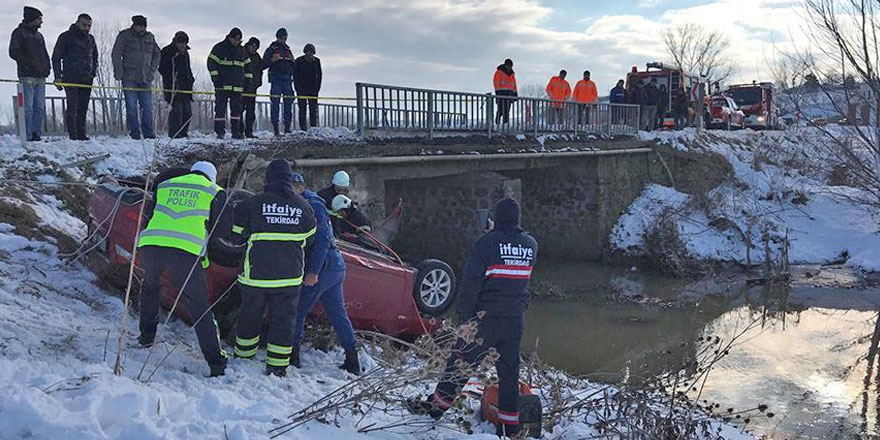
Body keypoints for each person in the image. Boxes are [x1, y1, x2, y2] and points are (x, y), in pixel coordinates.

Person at [408, 198, 538, 437]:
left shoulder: (485, 244)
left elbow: (470, 285)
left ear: (496, 218)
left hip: (484, 318)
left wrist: (466, 319)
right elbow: (523, 281)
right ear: (517, 218)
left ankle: (437, 408)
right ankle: (510, 426)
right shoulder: (530, 244)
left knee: (459, 363)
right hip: (514, 318)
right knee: (509, 372)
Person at [136, 161, 230, 377]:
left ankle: (146, 336)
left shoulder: (167, 184)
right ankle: (216, 362)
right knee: (199, 306)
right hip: (185, 252)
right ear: (212, 177)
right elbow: (221, 231)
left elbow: (150, 214)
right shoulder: (214, 191)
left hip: (151, 245)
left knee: (150, 289)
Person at [231, 159, 317, 377]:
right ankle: (278, 367)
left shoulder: (252, 203)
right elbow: (310, 239)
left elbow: (236, 234)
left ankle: (244, 358)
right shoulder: (303, 206)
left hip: (255, 276)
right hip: (289, 278)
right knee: (284, 321)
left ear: (267, 178)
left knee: (250, 316)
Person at [290, 174, 360, 375]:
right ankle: (352, 359)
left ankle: (292, 356)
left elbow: (321, 241)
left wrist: (313, 272)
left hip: (325, 265)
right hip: (334, 266)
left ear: (300, 187)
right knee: (338, 313)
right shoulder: (312, 203)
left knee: (299, 309)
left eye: (292, 187)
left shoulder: (313, 206)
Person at [112, 15, 160, 140]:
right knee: (131, 107)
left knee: (147, 107)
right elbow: (116, 53)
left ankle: (148, 134)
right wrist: (118, 72)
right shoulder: (124, 36)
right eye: (140, 26)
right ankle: (135, 133)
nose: (142, 28)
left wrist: (152, 70)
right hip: (129, 77)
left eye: (144, 26)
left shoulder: (150, 37)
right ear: (134, 25)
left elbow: (157, 55)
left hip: (146, 78)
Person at [52, 13, 97, 141]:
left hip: (86, 78)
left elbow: (95, 57)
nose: (87, 28)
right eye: (84, 25)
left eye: (89, 26)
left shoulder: (91, 39)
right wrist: (57, 76)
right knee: (72, 107)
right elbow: (56, 57)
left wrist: (93, 72)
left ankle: (82, 134)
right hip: (70, 77)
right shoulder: (66, 37)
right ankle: (73, 135)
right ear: (77, 23)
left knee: (83, 107)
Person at [9, 6, 50, 142]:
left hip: (40, 76)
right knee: (27, 108)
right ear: (32, 19)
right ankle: (26, 134)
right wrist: (29, 63)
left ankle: (36, 133)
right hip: (26, 75)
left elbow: (44, 53)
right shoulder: (19, 33)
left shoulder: (39, 36)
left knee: (39, 107)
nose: (41, 22)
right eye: (39, 19)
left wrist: (47, 67)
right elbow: (14, 52)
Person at [208, 27, 248, 139]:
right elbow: (211, 63)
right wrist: (216, 79)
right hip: (222, 86)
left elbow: (247, 66)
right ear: (230, 37)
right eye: (235, 39)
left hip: (237, 88)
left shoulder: (242, 50)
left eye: (239, 40)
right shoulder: (219, 48)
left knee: (237, 112)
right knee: (220, 111)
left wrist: (247, 81)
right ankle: (220, 132)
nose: (237, 42)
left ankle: (236, 132)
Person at [158, 31, 194, 138]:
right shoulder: (167, 52)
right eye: (180, 43)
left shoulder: (186, 54)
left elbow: (188, 69)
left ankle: (184, 133)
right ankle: (175, 134)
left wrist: (191, 79)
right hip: (173, 87)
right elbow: (162, 69)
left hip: (186, 87)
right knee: (176, 112)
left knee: (187, 113)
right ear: (176, 42)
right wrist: (172, 78)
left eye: (184, 43)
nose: (183, 45)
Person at [263, 28, 295, 136]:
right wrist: (272, 60)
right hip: (276, 79)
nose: (284, 39)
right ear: (278, 37)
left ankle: (287, 128)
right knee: (275, 103)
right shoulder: (271, 49)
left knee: (288, 104)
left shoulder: (288, 50)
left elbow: (294, 67)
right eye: (282, 37)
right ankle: (276, 129)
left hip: (287, 79)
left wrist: (292, 61)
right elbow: (263, 64)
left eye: (285, 37)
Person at [294, 43, 322, 130]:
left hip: (313, 89)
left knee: (313, 110)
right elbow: (295, 75)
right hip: (301, 89)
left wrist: (317, 88)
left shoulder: (317, 61)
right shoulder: (299, 61)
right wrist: (297, 88)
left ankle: (313, 128)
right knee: (302, 110)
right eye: (308, 52)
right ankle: (303, 128)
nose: (309, 54)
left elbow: (319, 75)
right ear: (305, 52)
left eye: (311, 52)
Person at [242, 37, 263, 138]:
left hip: (252, 88)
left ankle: (249, 132)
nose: (254, 49)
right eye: (253, 46)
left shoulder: (257, 57)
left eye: (256, 47)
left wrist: (257, 84)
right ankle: (239, 131)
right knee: (239, 110)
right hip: (241, 87)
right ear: (249, 45)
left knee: (250, 112)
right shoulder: (241, 53)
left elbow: (260, 70)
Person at [492, 59, 517, 126]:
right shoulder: (499, 72)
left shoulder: (512, 74)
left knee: (507, 111)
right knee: (500, 110)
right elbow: (496, 83)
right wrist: (498, 93)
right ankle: (497, 124)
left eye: (510, 67)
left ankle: (505, 125)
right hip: (501, 94)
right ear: (505, 65)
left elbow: (514, 85)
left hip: (509, 94)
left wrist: (515, 94)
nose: (509, 68)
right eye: (508, 66)